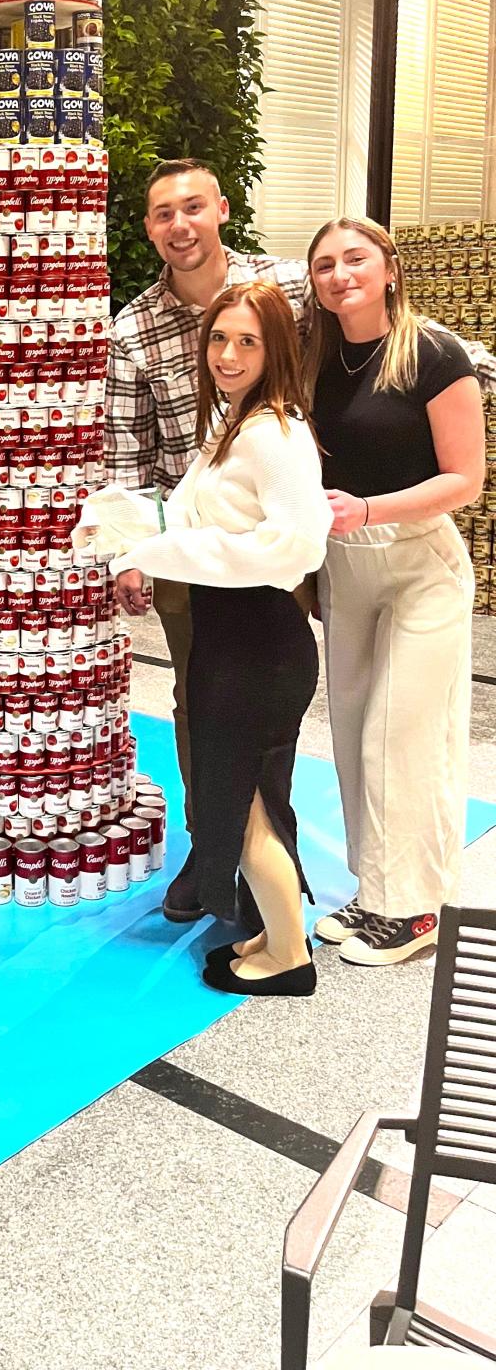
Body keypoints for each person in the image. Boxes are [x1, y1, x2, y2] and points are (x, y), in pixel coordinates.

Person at [85, 282, 331, 995]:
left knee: (247, 799)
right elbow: (184, 515)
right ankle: (275, 934)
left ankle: (289, 957)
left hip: (259, 642)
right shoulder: (233, 424)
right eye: (219, 339)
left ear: (276, 348)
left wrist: (160, 554)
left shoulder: (277, 434)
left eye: (247, 341)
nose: (227, 354)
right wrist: (126, 529)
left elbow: (295, 550)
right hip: (228, 641)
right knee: (238, 796)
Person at [106, 159, 307, 922]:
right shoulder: (133, 327)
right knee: (200, 703)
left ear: (221, 208)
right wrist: (130, 553)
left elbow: (378, 329)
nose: (180, 225)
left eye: (193, 207)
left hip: (280, 538)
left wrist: (451, 376)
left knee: (274, 698)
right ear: (150, 228)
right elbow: (127, 450)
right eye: (163, 214)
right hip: (189, 550)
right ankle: (211, 843)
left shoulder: (283, 287)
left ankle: (271, 852)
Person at [307, 218, 485, 967]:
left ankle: (413, 907)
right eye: (325, 265)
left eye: (355, 259)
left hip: (418, 563)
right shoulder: (316, 357)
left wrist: (370, 509)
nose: (341, 274)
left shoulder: (434, 351)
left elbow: (465, 480)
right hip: (344, 566)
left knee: (401, 736)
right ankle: (376, 887)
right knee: (351, 736)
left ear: (388, 269)